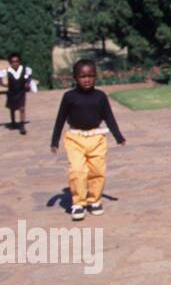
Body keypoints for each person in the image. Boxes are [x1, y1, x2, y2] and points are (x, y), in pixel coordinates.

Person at [50, 59, 125, 221]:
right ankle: (78, 203)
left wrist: (118, 136)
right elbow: (60, 119)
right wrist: (54, 141)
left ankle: (94, 200)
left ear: (96, 77)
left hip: (96, 138)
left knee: (97, 171)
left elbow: (109, 117)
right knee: (77, 170)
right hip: (75, 138)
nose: (87, 79)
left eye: (91, 75)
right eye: (82, 76)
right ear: (75, 77)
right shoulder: (69, 97)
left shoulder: (100, 96)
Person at [4, 53, 34, 135]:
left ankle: (22, 126)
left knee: (22, 108)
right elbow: (1, 77)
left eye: (17, 61)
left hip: (21, 92)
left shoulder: (24, 69)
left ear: (19, 62)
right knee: (12, 108)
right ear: (10, 62)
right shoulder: (8, 71)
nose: (15, 63)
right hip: (11, 92)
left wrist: (27, 83)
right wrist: (3, 84)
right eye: (13, 61)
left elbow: (29, 76)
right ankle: (13, 122)